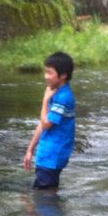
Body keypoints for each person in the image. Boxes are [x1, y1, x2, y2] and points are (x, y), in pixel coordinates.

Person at [23, 51, 76, 190]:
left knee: (43, 197)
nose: (45, 76)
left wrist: (45, 100)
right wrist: (30, 150)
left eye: (49, 73)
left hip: (52, 156)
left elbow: (46, 124)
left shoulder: (63, 97)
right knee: (47, 193)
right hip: (49, 156)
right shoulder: (57, 92)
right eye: (45, 72)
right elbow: (42, 123)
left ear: (63, 75)